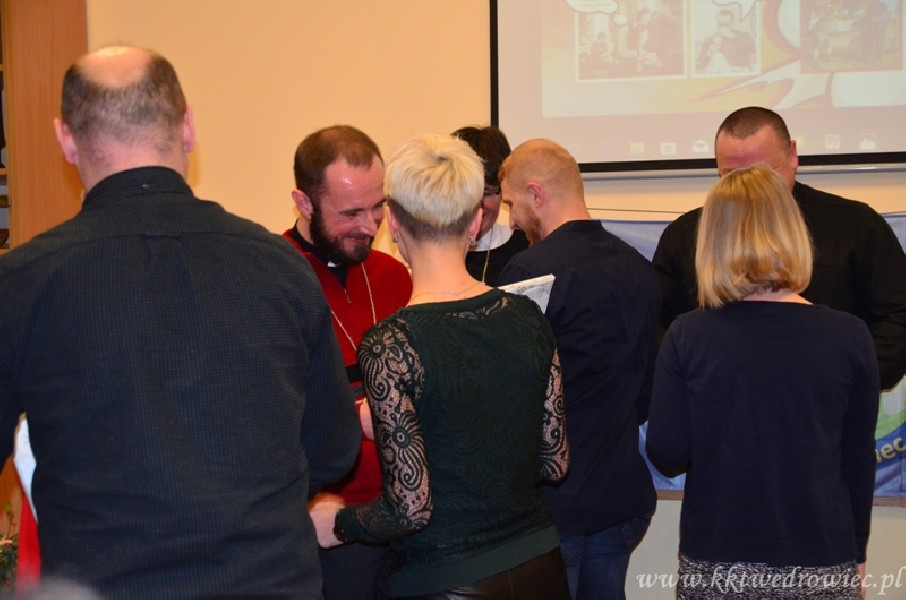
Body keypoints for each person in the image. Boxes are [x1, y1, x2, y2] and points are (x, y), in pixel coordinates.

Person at [0, 45, 360, 598]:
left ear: (66, 139)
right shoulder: (280, 267)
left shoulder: (24, 282)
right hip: (269, 581)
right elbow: (333, 447)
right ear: (188, 127)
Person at [311, 133, 571, 599]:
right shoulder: (526, 316)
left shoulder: (390, 344)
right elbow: (554, 461)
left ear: (392, 222)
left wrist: (338, 523)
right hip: (541, 563)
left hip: (448, 578)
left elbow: (410, 510)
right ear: (475, 222)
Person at [647, 165, 878, 598]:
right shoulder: (849, 336)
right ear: (793, 231)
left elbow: (668, 451)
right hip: (822, 562)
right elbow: (857, 462)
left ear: (712, 241)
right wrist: (858, 555)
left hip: (717, 562)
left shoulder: (687, 335)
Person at [497, 139, 660, 600]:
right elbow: (645, 396)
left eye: (511, 204)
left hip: (555, 506)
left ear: (536, 194)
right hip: (620, 496)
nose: (512, 220)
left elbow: (507, 394)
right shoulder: (639, 268)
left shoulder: (530, 273)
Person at [652, 106, 906, 390]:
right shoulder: (685, 236)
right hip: (718, 403)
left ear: (792, 155)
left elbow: (897, 316)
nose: (750, 189)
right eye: (732, 176)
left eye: (762, 174)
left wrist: (846, 380)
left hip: (828, 401)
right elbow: (657, 323)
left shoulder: (855, 226)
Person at [284, 124, 413, 600]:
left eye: (378, 206)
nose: (371, 226)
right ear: (304, 203)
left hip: (406, 515)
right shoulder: (274, 277)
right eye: (350, 213)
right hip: (328, 523)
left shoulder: (393, 274)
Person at [452, 125, 529, 285]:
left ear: (503, 192)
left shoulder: (525, 248)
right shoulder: (425, 251)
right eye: (467, 193)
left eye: (486, 193)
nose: (476, 206)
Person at [695, 9, 756, 73]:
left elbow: (752, 49)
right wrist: (709, 53)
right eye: (719, 24)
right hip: (716, 73)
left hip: (738, 71)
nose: (722, 27)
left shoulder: (743, 35)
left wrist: (733, 37)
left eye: (726, 24)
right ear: (716, 22)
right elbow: (700, 63)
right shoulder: (709, 40)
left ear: (732, 22)